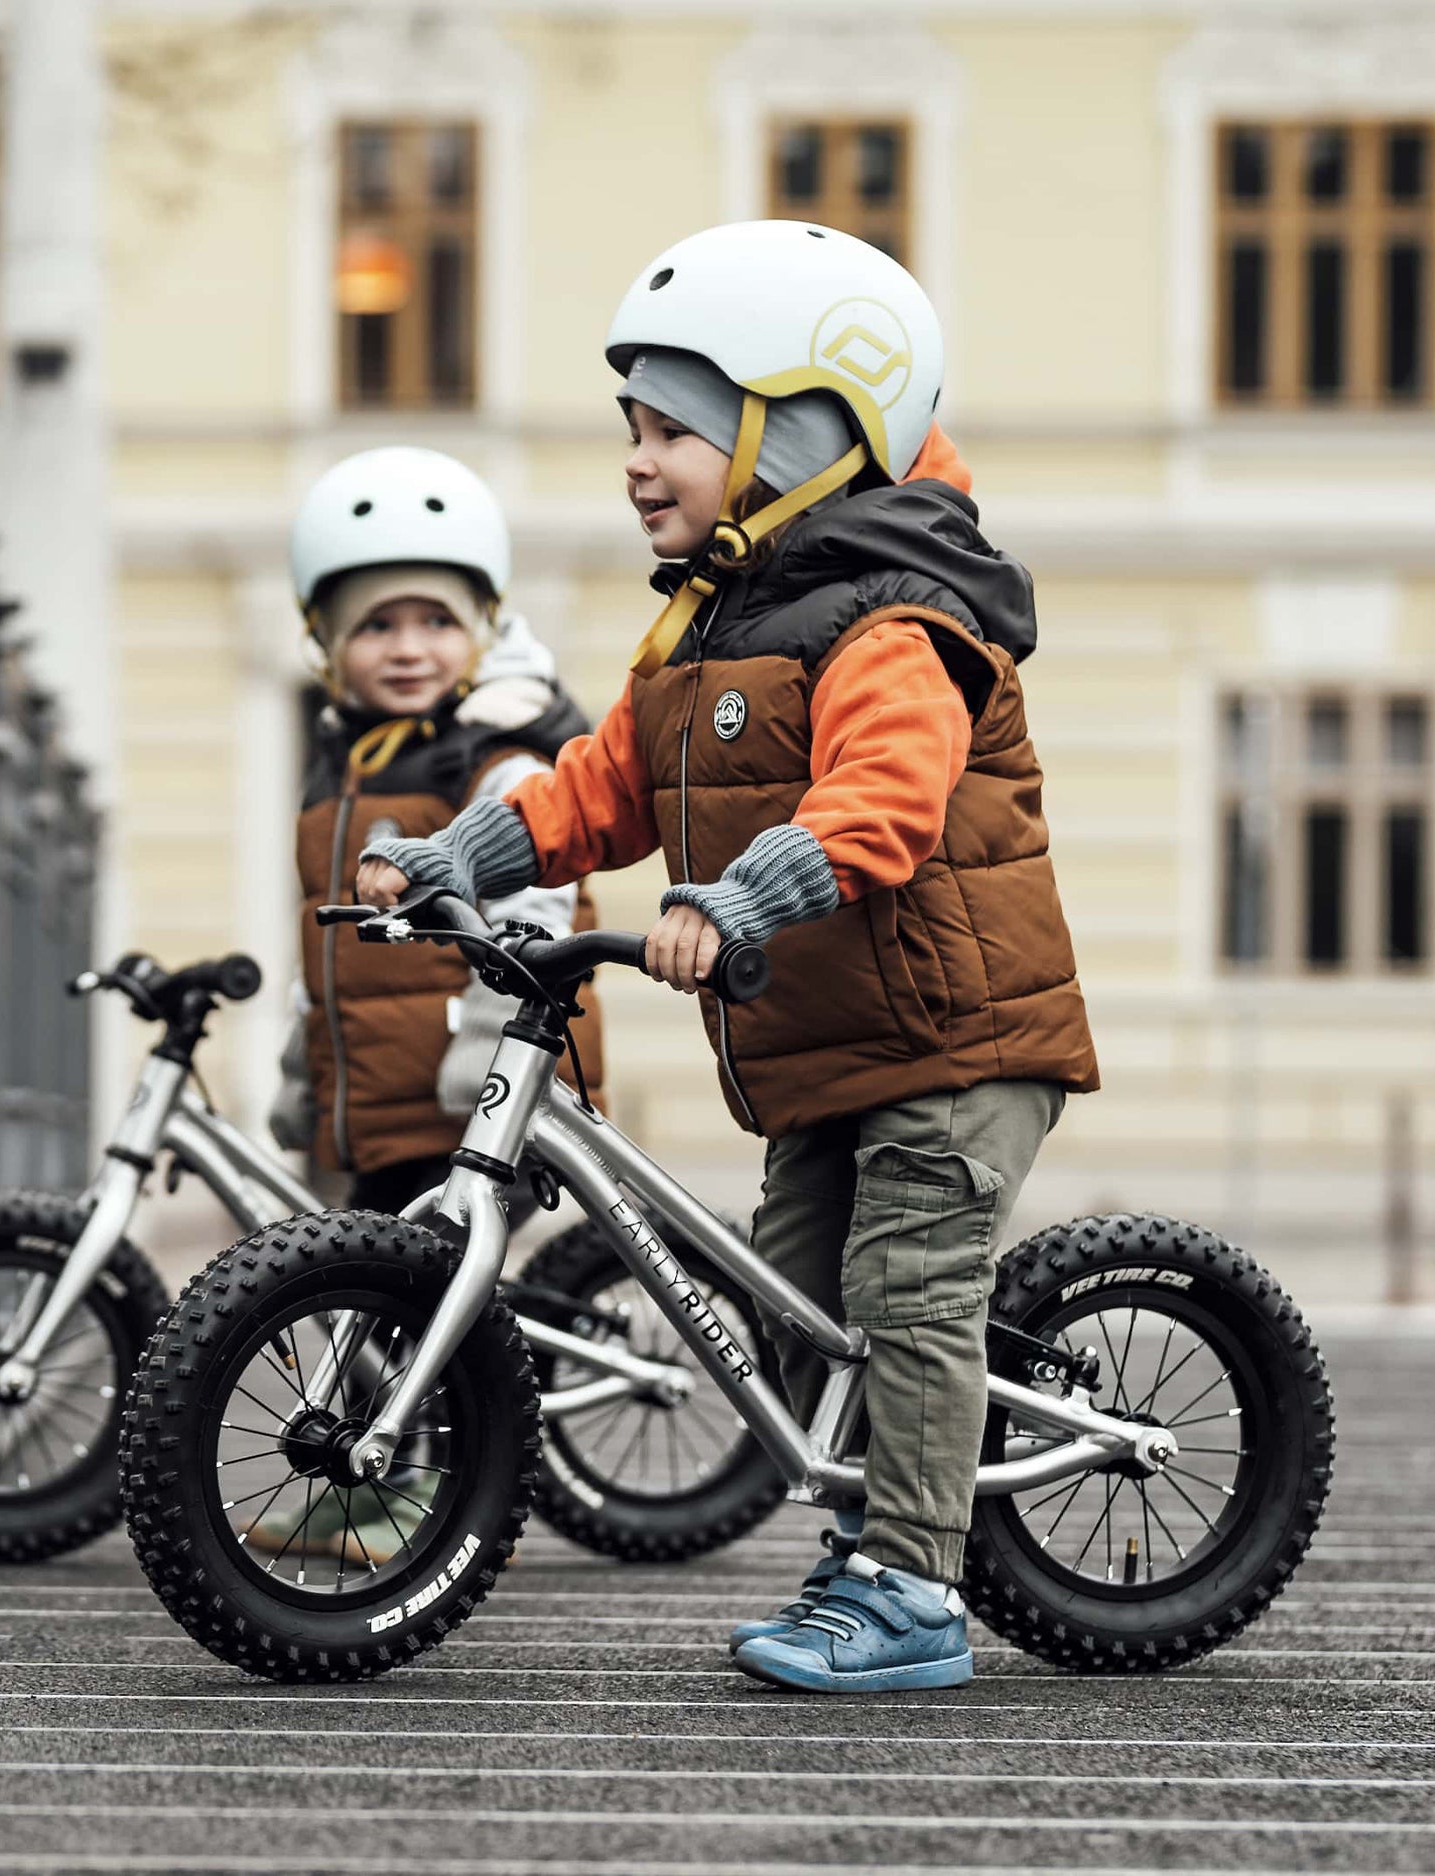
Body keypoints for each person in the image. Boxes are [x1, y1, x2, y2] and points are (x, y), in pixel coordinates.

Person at [355, 222, 1099, 1692]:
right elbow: (596, 791)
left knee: (904, 1294)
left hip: (956, 1042)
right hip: (827, 1048)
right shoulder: (705, 628)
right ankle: (870, 1534)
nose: (637, 461)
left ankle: (906, 1594)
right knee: (794, 1303)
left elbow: (879, 803)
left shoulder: (898, 616)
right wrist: (457, 861)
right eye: (629, 427)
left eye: (674, 429)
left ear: (808, 434)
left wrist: (742, 899)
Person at [254, 445, 604, 1563]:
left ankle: (419, 1493)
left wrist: (482, 1044)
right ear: (326, 644)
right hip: (375, 1094)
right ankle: (361, 1484)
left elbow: (539, 899)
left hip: (464, 1090)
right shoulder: (342, 757)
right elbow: (337, 949)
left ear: (482, 627)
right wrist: (305, 1073)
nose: (407, 648)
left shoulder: (497, 752)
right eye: (375, 626)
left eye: (434, 622)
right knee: (352, 1302)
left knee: (419, 1307)